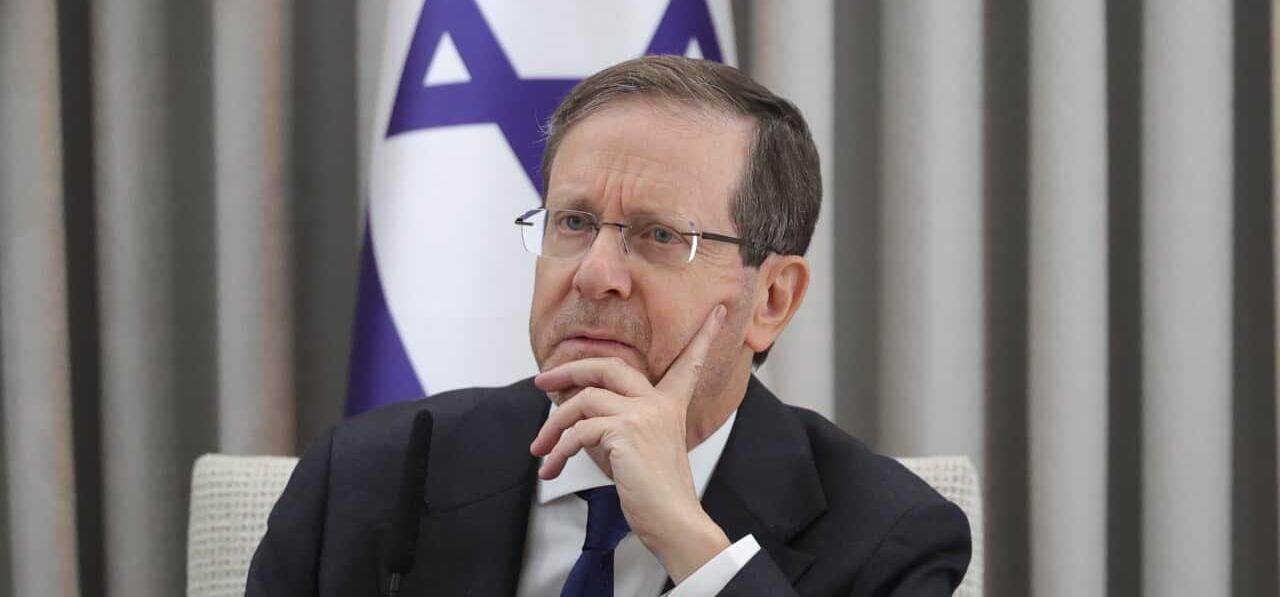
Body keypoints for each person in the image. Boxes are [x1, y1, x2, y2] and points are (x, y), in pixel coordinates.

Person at [246, 55, 971, 596]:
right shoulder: (368, 477)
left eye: (659, 236)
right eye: (573, 222)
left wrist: (694, 548)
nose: (594, 274)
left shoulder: (888, 536)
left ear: (772, 299)